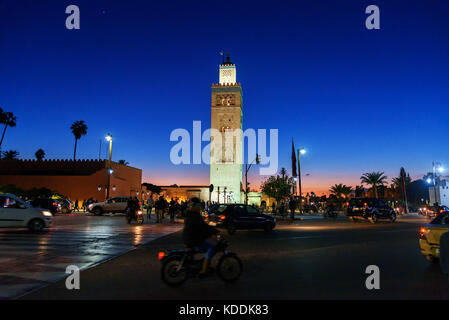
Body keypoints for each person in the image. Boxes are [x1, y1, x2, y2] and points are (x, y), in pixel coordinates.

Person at [182, 197, 219, 277]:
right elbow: (203, 226)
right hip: (193, 240)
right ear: (195, 205)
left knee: (206, 245)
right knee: (211, 248)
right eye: (198, 205)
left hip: (191, 238)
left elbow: (201, 227)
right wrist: (214, 231)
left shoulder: (190, 214)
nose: (199, 207)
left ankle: (202, 264)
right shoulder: (194, 215)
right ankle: (203, 271)